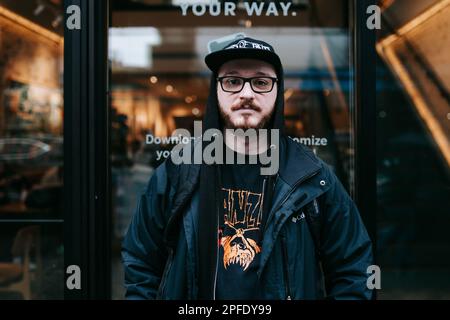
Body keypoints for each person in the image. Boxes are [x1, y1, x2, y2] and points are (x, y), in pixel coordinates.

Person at [122, 37, 374, 300]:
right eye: (232, 81)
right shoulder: (177, 171)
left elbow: (353, 268)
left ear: (278, 91)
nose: (246, 93)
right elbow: (141, 263)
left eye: (261, 82)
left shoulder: (312, 177)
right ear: (215, 90)